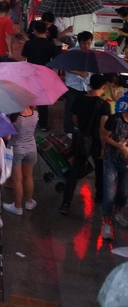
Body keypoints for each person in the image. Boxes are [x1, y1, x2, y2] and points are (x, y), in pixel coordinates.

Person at [60, 74, 108, 216]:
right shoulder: (104, 105)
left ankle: (65, 203)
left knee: (74, 172)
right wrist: (104, 147)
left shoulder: (80, 99)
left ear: (90, 84)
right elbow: (102, 128)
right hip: (97, 142)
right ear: (103, 87)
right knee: (100, 171)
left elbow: (74, 117)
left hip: (82, 140)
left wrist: (82, 127)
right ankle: (99, 198)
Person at [21, 20, 59, 130]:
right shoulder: (51, 45)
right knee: (43, 100)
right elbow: (55, 62)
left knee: (29, 98)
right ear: (46, 31)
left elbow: (24, 59)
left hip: (31, 74)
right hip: (45, 75)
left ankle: (27, 120)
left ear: (35, 31)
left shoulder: (29, 43)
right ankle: (43, 125)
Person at [100, 97, 128, 238]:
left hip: (126, 163)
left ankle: (117, 213)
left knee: (123, 192)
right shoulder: (115, 119)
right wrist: (120, 146)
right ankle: (106, 223)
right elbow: (104, 136)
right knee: (109, 193)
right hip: (111, 160)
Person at [3, 105, 38, 215]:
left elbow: (7, 137)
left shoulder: (14, 118)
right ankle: (29, 201)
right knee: (28, 176)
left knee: (17, 179)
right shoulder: (35, 114)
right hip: (32, 149)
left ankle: (17, 206)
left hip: (16, 150)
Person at [62, 32, 94, 135]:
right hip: (73, 85)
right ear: (79, 42)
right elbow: (65, 67)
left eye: (88, 43)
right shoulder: (72, 53)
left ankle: (80, 129)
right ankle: (68, 130)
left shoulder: (92, 54)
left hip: (86, 86)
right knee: (70, 109)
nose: (86, 46)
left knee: (83, 109)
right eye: (84, 43)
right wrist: (79, 72)